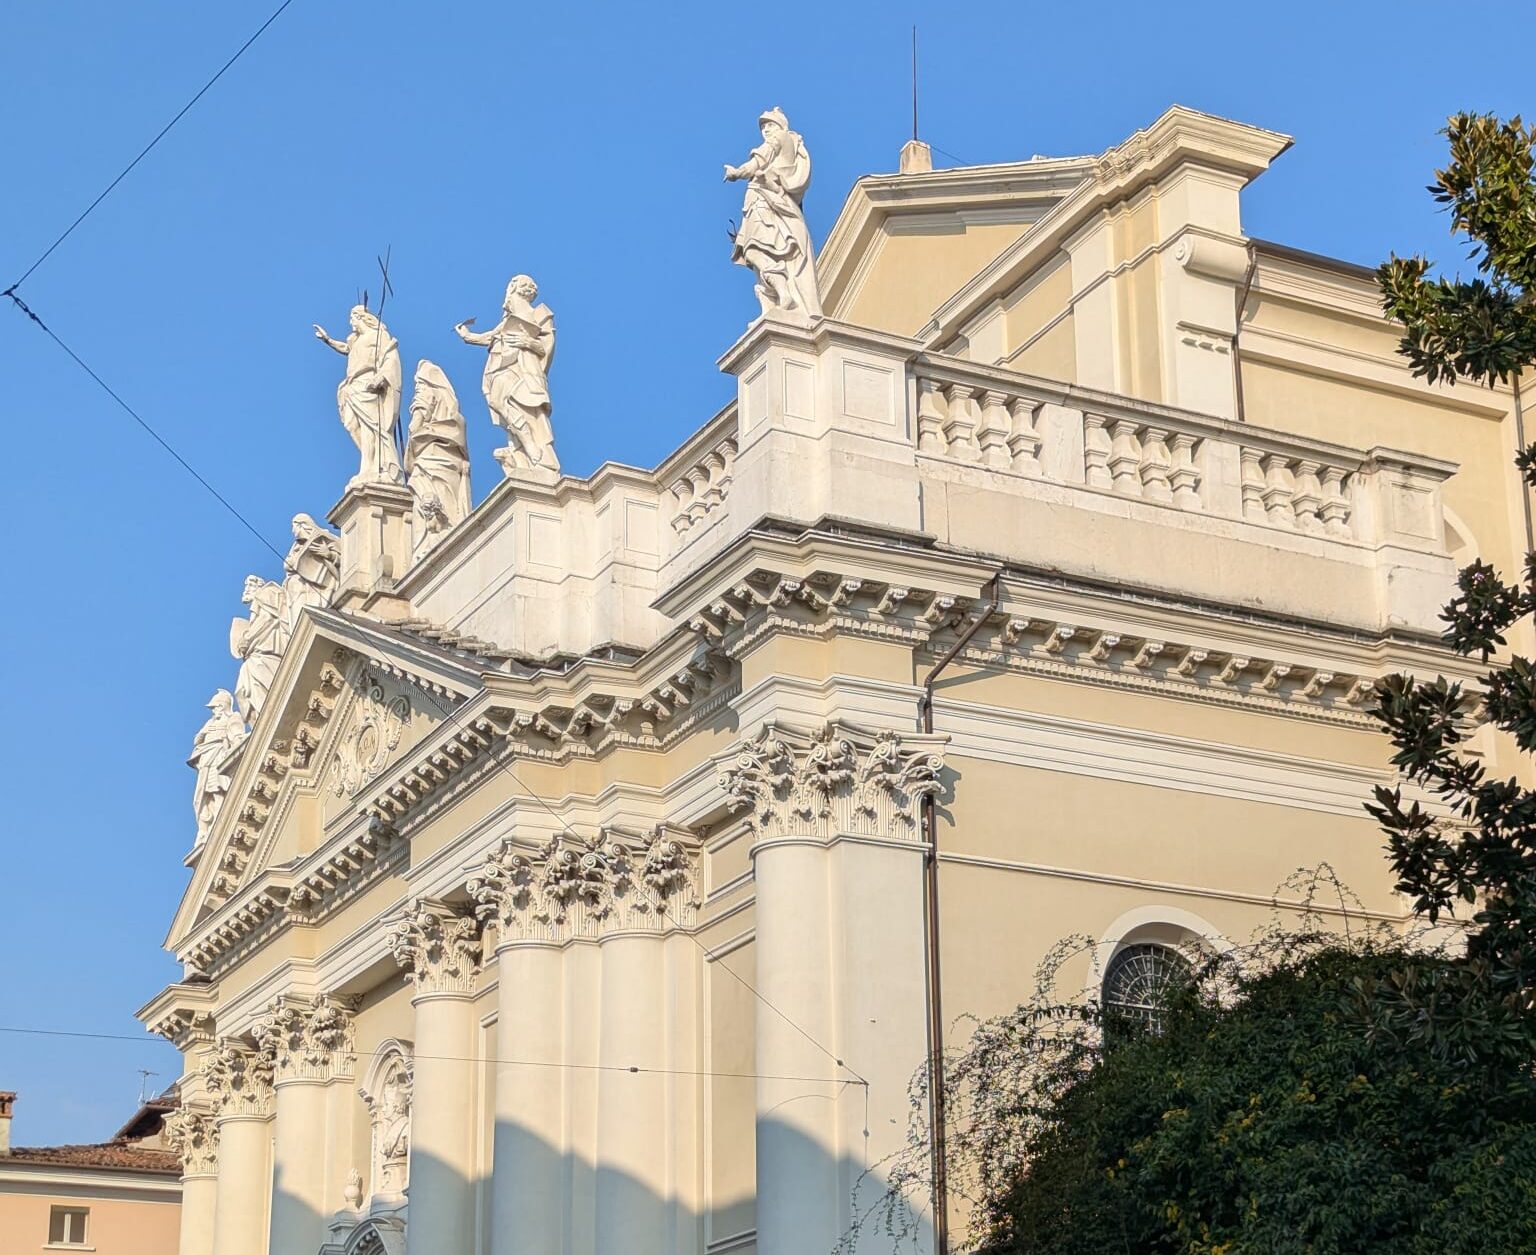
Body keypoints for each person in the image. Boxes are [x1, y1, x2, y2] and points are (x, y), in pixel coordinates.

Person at [455, 275, 560, 474]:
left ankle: (531, 446)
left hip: (524, 367)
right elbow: (493, 336)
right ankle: (524, 443)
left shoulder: (540, 313)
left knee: (517, 406)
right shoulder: (507, 320)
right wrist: (468, 337)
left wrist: (527, 342)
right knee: (497, 401)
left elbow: (547, 346)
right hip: (500, 366)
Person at [725, 107, 823, 320]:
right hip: (765, 201)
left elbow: (758, 162)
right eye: (763, 127)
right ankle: (778, 296)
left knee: (753, 249)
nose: (766, 131)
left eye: (770, 124)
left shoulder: (779, 138)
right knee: (754, 251)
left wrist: (736, 173)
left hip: (763, 202)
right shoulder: (792, 142)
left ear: (781, 126)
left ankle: (783, 292)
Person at [315, 306, 405, 485]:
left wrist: (382, 376)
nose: (350, 322)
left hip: (369, 385)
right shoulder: (355, 340)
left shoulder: (378, 336)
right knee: (355, 426)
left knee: (374, 428)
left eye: (352, 318)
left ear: (361, 317)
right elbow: (346, 348)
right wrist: (328, 340)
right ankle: (369, 466)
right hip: (353, 386)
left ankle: (383, 468)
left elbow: (390, 357)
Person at [405, 360, 472, 552]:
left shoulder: (425, 395)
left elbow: (415, 423)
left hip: (429, 461)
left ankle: (426, 550)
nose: (417, 389)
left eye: (419, 384)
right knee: (444, 511)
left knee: (428, 515)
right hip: (448, 463)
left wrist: (414, 429)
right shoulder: (455, 421)